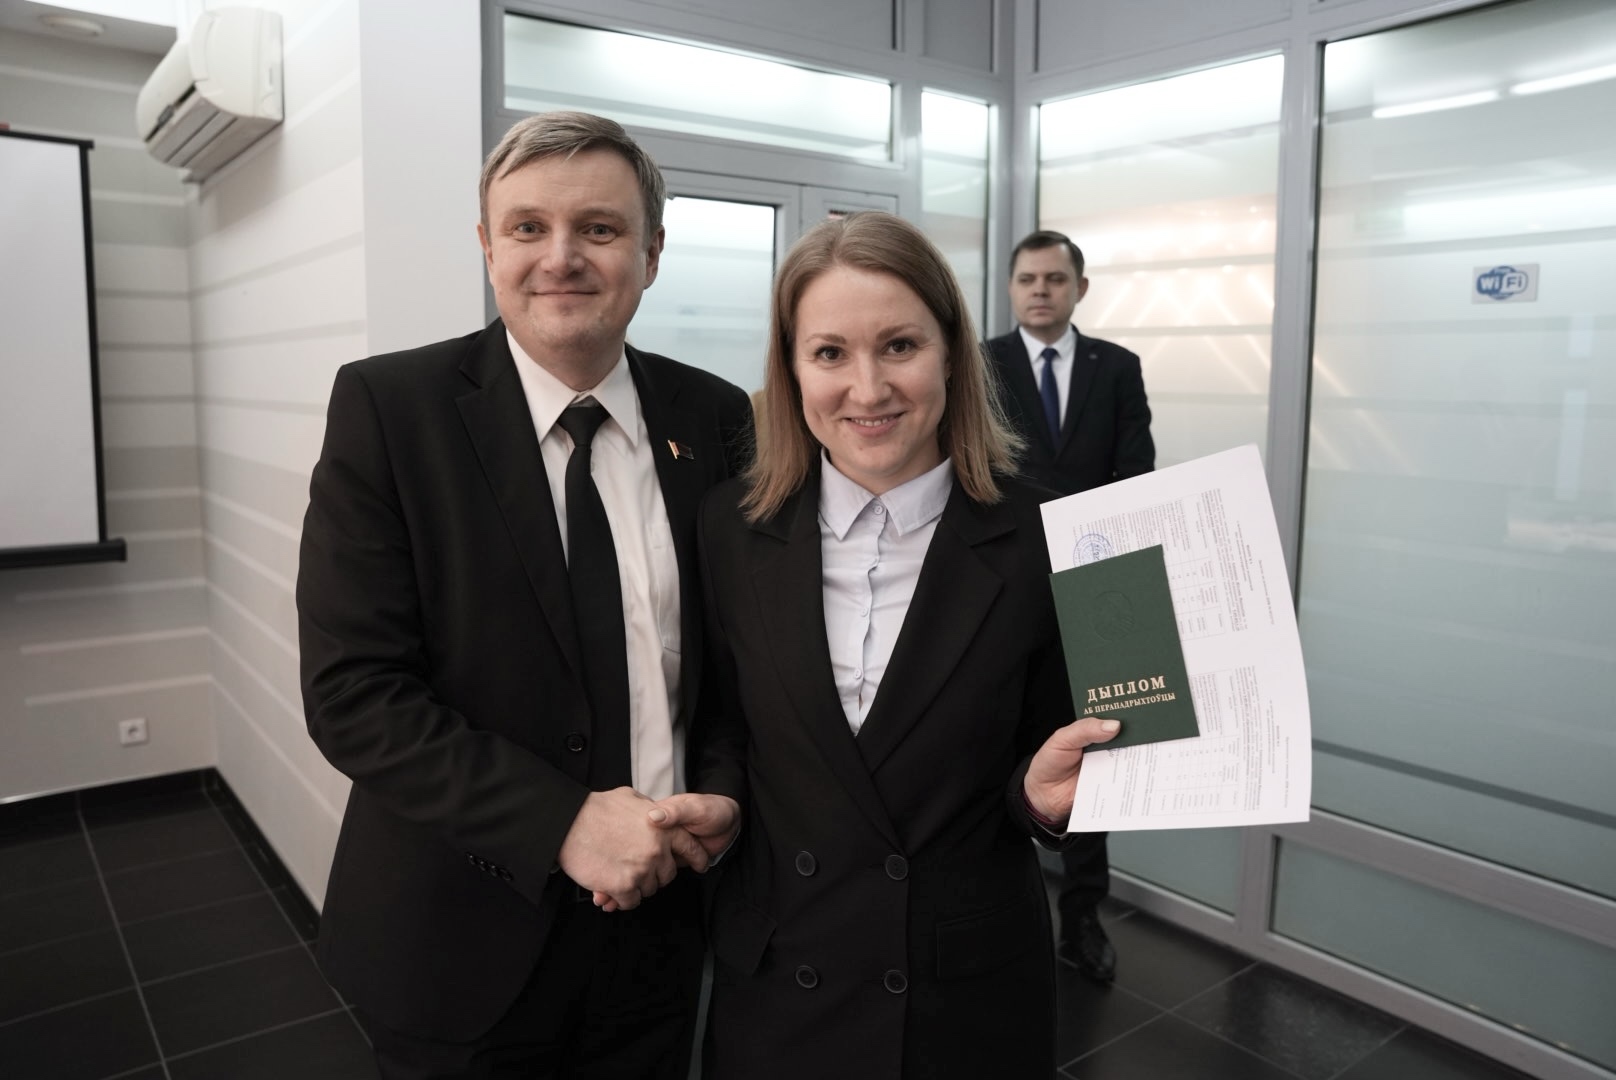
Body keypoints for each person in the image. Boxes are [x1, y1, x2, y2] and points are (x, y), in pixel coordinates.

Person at [296, 111, 752, 1078]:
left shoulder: (715, 417)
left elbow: (734, 657)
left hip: (665, 927)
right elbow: (354, 695)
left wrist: (721, 790)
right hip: (461, 940)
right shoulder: (392, 410)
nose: (561, 258)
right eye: (528, 228)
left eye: (599, 228)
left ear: (651, 253)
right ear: (487, 246)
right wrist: (563, 824)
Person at [649, 212, 1121, 1078]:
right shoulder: (729, 527)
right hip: (781, 979)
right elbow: (726, 723)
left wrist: (1044, 799)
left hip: (962, 993)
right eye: (829, 353)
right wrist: (721, 799)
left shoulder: (1050, 537)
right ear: (792, 370)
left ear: (951, 354)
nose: (866, 390)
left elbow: (1054, 757)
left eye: (899, 346)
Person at [985, 229, 1155, 984]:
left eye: (1055, 279)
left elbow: (1137, 474)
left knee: (1095, 746)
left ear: (1079, 288)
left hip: (1097, 583)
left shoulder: (1116, 367)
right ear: (1011, 287)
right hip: (1005, 579)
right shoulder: (980, 364)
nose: (1040, 291)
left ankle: (1082, 916)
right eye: (1028, 278)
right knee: (997, 736)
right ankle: (996, 904)